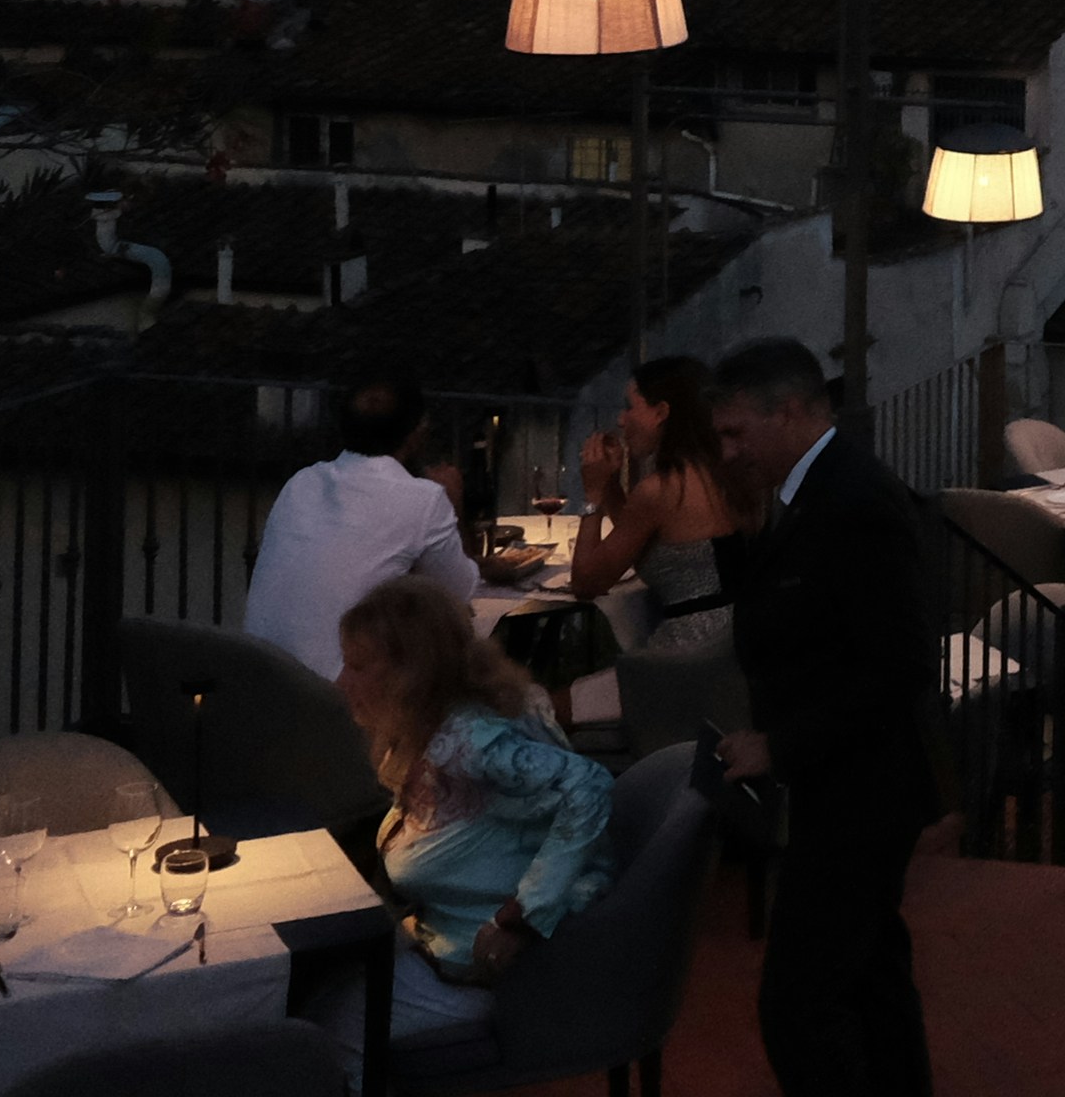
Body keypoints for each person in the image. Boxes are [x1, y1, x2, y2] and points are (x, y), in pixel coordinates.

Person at [706, 337, 939, 1097]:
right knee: (871, 978)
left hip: (862, 789)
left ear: (797, 411)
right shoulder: (810, 491)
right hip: (845, 783)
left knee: (798, 1005)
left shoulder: (855, 499)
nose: (727, 450)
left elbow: (898, 661)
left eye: (739, 432)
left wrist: (783, 745)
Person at [333, 578, 621, 1045]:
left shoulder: (468, 743)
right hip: (441, 952)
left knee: (323, 1033)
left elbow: (587, 785)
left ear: (412, 673)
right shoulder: (432, 732)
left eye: (357, 666)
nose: (340, 682)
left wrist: (519, 917)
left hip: (502, 976)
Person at [242, 365, 514, 675]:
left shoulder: (301, 482)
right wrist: (454, 500)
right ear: (417, 433)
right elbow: (461, 592)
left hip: (260, 682)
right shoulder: (422, 499)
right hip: (335, 700)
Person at [564, 352, 741, 632]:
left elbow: (586, 583)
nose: (621, 420)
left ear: (660, 412)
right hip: (735, 640)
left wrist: (593, 495)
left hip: (692, 652)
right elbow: (637, 534)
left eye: (629, 407)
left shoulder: (661, 489)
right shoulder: (723, 471)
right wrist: (610, 483)